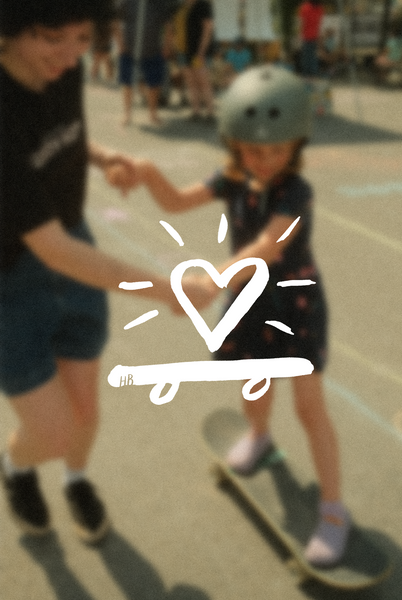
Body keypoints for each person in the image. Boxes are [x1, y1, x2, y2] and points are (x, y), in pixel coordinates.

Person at [106, 65, 351, 567]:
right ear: (234, 143)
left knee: (309, 407)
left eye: (277, 150)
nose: (263, 161)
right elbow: (177, 202)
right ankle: (259, 438)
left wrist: (208, 282)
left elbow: (267, 247)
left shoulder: (296, 194)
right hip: (248, 303)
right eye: (253, 149)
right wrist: (149, 171)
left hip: (294, 307)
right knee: (253, 386)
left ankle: (332, 510)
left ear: (296, 145)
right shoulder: (232, 177)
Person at [0, 0, 208, 544]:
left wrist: (103, 156)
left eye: (82, 37)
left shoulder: (59, 70)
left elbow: (64, 135)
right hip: (12, 283)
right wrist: (168, 291)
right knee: (50, 431)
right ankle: (17, 466)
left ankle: (77, 479)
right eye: (51, 37)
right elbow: (54, 252)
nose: (70, 57)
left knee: (85, 409)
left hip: (74, 244)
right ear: (11, 26)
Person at [116, 0, 178, 125]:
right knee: (127, 83)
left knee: (154, 84)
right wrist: (120, 43)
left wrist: (167, 46)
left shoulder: (159, 4)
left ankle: (153, 114)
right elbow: (114, 22)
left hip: (153, 51)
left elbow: (169, 26)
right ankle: (127, 114)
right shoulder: (126, 2)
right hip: (129, 51)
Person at [183, 0, 216, 122]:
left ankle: (211, 113)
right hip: (190, 52)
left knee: (203, 82)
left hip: (200, 53)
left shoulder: (204, 5)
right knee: (192, 82)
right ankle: (196, 112)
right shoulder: (189, 8)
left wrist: (201, 52)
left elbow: (208, 29)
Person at [298, 0, 324, 77]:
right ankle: (313, 74)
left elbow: (302, 23)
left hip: (306, 36)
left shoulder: (305, 7)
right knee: (313, 56)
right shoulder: (320, 8)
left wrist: (299, 34)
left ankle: (306, 75)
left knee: (306, 57)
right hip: (315, 35)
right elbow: (319, 22)